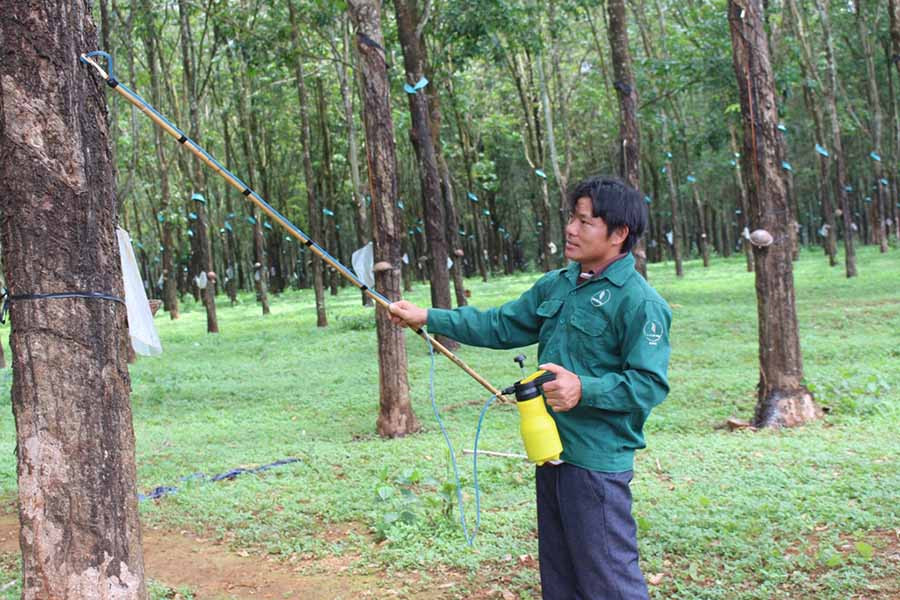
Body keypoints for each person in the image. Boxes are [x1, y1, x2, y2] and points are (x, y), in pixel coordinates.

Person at [389, 175, 671, 600]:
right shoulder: (559, 283)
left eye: (584, 221)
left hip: (595, 462)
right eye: (571, 219)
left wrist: (584, 388)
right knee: (560, 578)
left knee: (608, 580)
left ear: (619, 234)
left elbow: (649, 384)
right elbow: (501, 324)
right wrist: (429, 316)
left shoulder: (639, 302)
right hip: (550, 450)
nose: (571, 230)